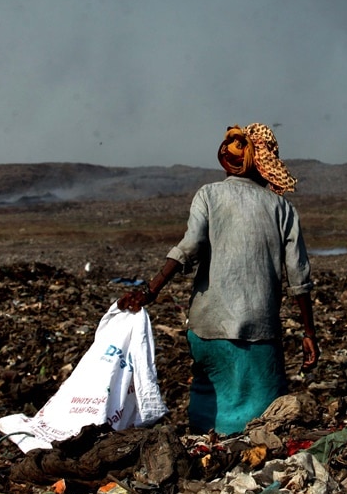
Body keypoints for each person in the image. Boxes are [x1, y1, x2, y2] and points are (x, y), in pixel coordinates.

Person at [118, 123, 320, 435]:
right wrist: (309, 333)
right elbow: (298, 276)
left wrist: (151, 289)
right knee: (262, 425)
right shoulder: (282, 208)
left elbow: (190, 246)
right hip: (260, 331)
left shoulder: (209, 195)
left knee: (207, 418)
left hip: (210, 326)